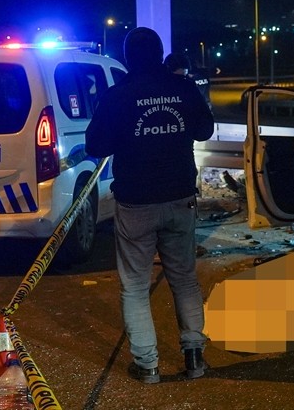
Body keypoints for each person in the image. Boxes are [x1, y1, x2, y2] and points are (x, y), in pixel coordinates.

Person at [87, 27, 216, 384]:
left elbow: (95, 146)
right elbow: (205, 130)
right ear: (160, 55)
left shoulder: (118, 96)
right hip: (179, 198)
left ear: (128, 58)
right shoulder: (182, 87)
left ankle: (147, 365)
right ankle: (194, 357)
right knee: (185, 279)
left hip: (135, 203)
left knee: (135, 286)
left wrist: (125, 134)